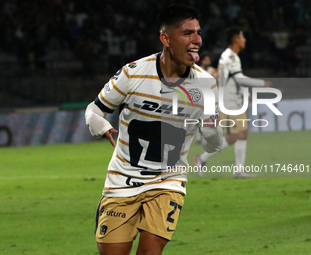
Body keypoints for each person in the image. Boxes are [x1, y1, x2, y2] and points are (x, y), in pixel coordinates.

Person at [85, 4, 223, 255]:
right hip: (121, 181)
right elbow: (93, 111)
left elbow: (213, 133)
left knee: (150, 252)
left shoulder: (206, 85)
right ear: (165, 38)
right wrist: (103, 127)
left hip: (167, 182)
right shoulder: (132, 74)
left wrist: (213, 137)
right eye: (187, 33)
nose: (197, 41)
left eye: (198, 32)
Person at [194, 27, 271, 178]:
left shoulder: (227, 56)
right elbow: (239, 78)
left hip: (228, 100)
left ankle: (202, 159)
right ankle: (238, 171)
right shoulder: (231, 57)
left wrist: (246, 93)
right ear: (236, 39)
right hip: (230, 102)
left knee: (236, 136)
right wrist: (262, 83)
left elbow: (232, 80)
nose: (245, 40)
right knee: (242, 133)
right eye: (242, 37)